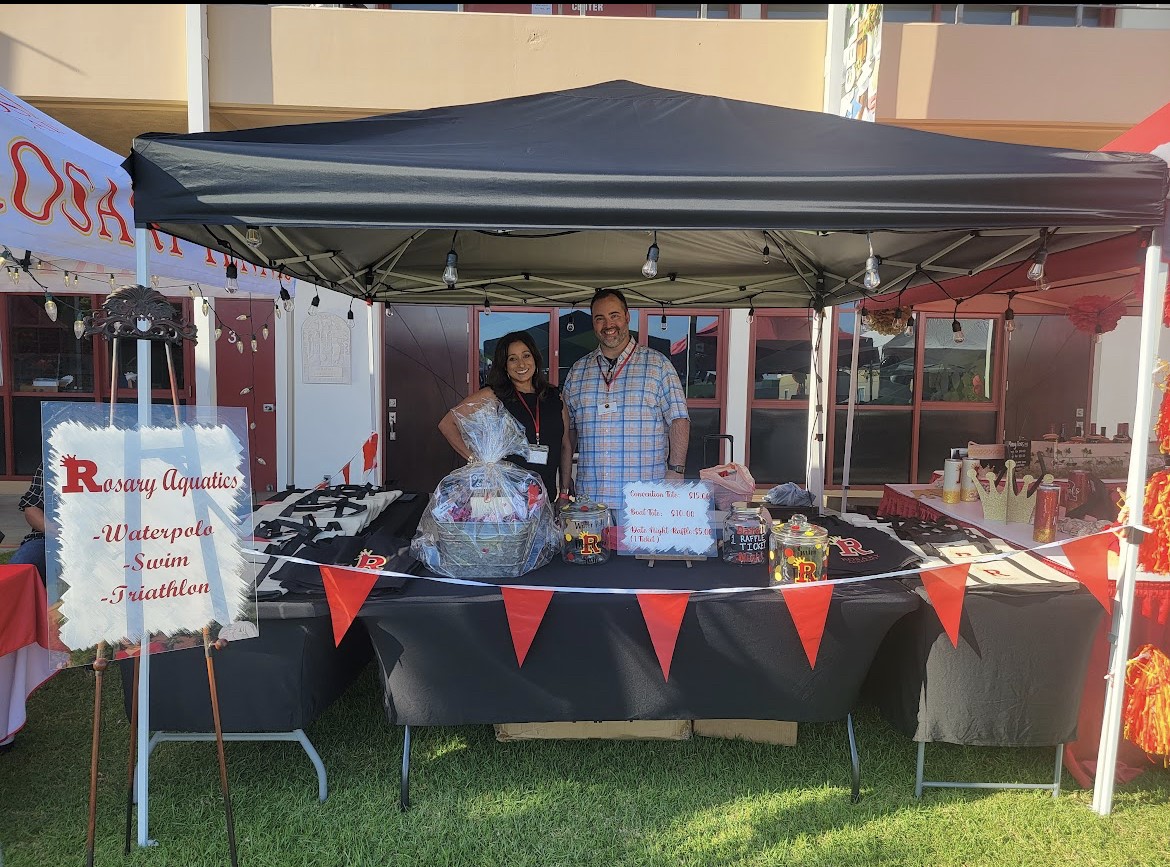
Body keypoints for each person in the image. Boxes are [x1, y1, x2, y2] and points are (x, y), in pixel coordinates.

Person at [562, 288, 690, 513]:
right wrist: (564, 483)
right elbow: (568, 431)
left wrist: (676, 471)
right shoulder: (578, 371)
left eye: (614, 316)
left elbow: (679, 419)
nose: (608, 325)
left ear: (627, 317)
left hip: (645, 502)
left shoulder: (658, 366)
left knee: (642, 551)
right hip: (591, 502)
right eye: (599, 318)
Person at [438, 331, 573, 503]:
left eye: (526, 355)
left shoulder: (555, 397)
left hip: (547, 497)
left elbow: (565, 445)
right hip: (507, 499)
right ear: (504, 365)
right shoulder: (493, 396)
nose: (521, 364)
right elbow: (447, 424)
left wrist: (564, 492)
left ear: (535, 359)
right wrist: (476, 460)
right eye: (512, 359)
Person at [11, 462, 47, 585]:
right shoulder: (54, 461)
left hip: (104, 538)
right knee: (18, 571)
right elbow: (31, 508)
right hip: (49, 538)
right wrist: (52, 530)